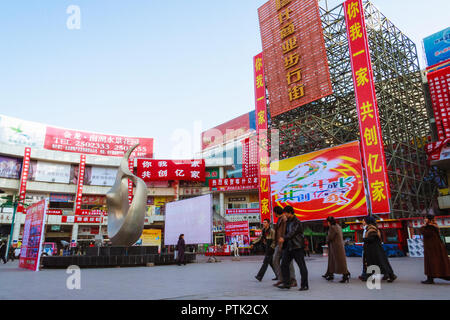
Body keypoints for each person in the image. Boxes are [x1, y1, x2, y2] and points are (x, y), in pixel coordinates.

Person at [277, 206, 309, 291]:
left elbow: (292, 233)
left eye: (286, 213)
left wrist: (284, 238)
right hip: (289, 247)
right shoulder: (288, 221)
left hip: (297, 246)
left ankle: (304, 285)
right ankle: (287, 283)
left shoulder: (297, 222)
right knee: (284, 264)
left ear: (290, 213)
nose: (285, 215)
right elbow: (286, 232)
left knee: (301, 266)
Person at [361, 216, 397, 282]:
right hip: (373, 249)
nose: (362, 222)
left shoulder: (371, 229)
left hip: (374, 250)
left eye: (363, 221)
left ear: (367, 221)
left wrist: (364, 239)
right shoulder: (370, 228)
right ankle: (368, 275)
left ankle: (390, 275)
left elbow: (373, 238)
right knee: (377, 263)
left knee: (380, 262)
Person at [419, 214, 450, 284]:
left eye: (426, 218)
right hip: (432, 248)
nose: (424, 219)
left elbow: (424, 232)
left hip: (433, 249)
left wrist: (422, 227)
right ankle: (430, 278)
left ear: (429, 219)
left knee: (433, 263)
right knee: (431, 263)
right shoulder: (433, 226)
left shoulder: (430, 227)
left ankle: (431, 278)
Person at [272, 206, 297, 287]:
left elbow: (287, 231)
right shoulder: (279, 219)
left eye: (274, 212)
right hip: (279, 243)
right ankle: (282, 279)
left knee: (288, 262)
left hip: (285, 243)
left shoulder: (285, 219)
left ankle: (292, 280)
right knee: (275, 260)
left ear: (276, 212)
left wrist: (285, 240)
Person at [323, 216, 350, 283]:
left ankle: (345, 275)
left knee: (338, 262)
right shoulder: (338, 226)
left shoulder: (332, 228)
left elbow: (330, 237)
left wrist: (326, 240)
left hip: (335, 247)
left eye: (328, 222)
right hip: (339, 246)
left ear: (329, 222)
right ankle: (331, 274)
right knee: (335, 261)